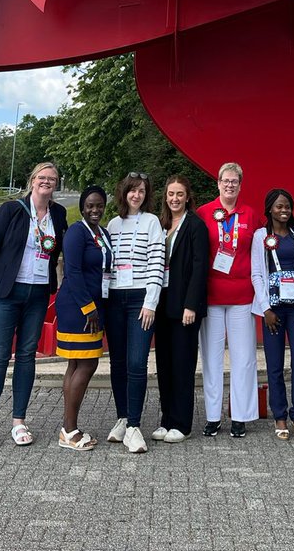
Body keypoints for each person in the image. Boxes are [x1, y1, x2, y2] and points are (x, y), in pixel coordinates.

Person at [0, 162, 67, 450]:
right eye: (42, 177)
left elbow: (58, 251)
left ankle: (18, 421)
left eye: (52, 179)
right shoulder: (11, 210)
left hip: (38, 294)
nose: (46, 182)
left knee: (27, 355)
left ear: (56, 184)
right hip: (6, 292)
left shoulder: (59, 214)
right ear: (32, 181)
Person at [197, 161, 260, 437]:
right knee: (211, 358)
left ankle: (240, 415)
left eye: (235, 181)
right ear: (218, 183)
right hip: (211, 295)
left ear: (240, 184)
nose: (230, 185)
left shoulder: (251, 214)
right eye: (225, 181)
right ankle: (212, 416)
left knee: (243, 357)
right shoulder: (203, 213)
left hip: (242, 296)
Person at [105, 171, 165, 454]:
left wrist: (150, 302)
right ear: (124, 192)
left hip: (141, 298)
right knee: (117, 362)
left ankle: (135, 426)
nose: (136, 195)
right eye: (132, 190)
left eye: (142, 191)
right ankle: (122, 418)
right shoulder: (113, 224)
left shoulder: (152, 222)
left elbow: (157, 263)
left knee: (137, 362)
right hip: (115, 298)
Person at [250, 188, 294, 439]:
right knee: (274, 363)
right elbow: (257, 273)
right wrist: (265, 308)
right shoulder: (260, 236)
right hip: (273, 310)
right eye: (279, 206)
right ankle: (280, 416)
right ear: (269, 209)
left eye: (287, 206)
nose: (284, 210)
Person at [152, 174, 210, 443]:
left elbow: (200, 269)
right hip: (161, 303)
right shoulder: (160, 224)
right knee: (163, 363)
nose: (174, 198)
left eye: (179, 194)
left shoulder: (196, 226)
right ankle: (166, 419)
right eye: (171, 194)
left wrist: (191, 305)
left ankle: (182, 423)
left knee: (183, 364)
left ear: (188, 197)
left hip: (184, 306)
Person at [54, 184, 112, 450]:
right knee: (87, 365)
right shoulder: (77, 232)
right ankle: (69, 429)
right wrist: (89, 308)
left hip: (94, 306)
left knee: (76, 365)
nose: (95, 210)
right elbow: (73, 273)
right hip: (79, 308)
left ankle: (68, 428)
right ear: (82, 207)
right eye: (90, 205)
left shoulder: (103, 233)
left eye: (99, 205)